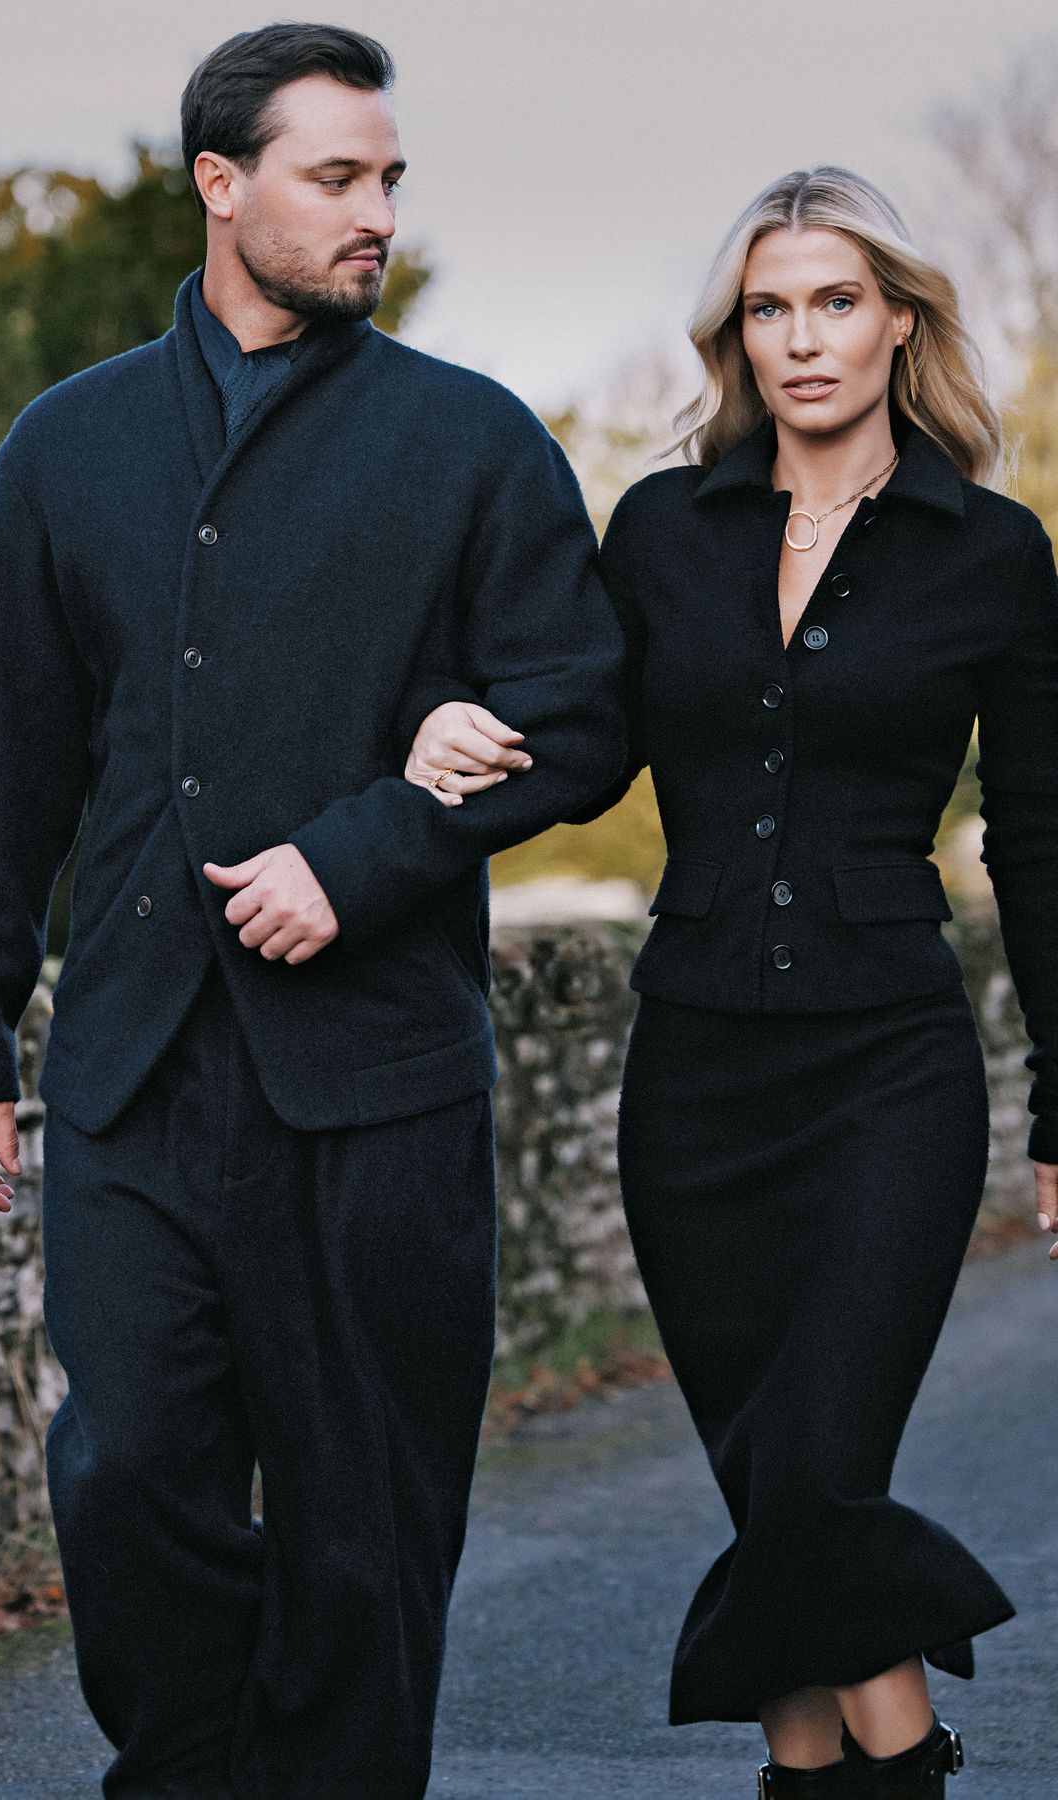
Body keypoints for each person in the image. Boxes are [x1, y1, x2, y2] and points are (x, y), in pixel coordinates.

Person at [0, 23, 626, 1800]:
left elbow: (580, 714)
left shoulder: (472, 442)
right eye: (336, 178)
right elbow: (7, 767)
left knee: (365, 1538)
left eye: (389, 179)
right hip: (130, 1072)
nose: (376, 214)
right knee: (124, 1489)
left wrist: (369, 850)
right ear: (222, 184)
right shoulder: (65, 445)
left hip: (380, 1093)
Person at [404, 165, 1058, 1797]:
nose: (803, 338)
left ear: (899, 318)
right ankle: (816, 1779)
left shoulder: (990, 551)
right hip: (693, 1073)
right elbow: (587, 742)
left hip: (889, 1073)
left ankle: (904, 1766)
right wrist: (440, 726)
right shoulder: (663, 527)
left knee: (822, 1473)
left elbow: (1042, 840)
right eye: (770, 308)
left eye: (836, 300)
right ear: (738, 338)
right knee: (773, 1488)